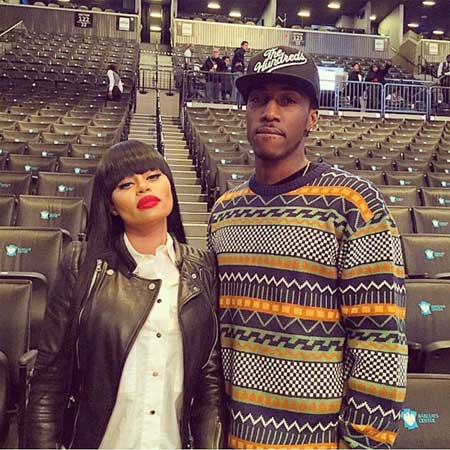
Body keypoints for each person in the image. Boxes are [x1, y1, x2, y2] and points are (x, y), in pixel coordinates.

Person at [208, 46, 407, 449]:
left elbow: (380, 341)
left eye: (288, 100)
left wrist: (361, 443)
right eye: (258, 99)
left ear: (312, 118)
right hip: (233, 439)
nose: (270, 112)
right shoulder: (224, 212)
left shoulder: (354, 205)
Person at [25, 141, 227, 449]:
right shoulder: (81, 264)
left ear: (170, 187)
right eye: (126, 184)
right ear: (111, 206)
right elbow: (49, 378)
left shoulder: (201, 269)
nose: (143, 187)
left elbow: (209, 386)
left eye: (153, 177)